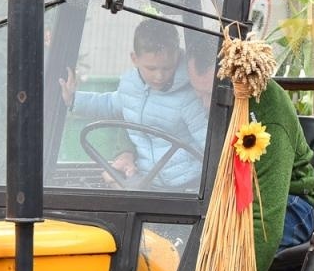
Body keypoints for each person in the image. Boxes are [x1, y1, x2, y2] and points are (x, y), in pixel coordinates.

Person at [171, 39, 314, 271]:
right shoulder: (205, 103)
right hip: (223, 202)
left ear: (232, 83)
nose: (200, 101)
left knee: (222, 251)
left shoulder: (269, 115)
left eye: (207, 94)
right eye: (196, 92)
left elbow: (264, 219)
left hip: (288, 206)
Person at [61, 18, 207, 188]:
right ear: (134, 58)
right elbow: (109, 104)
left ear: (178, 57)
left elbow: (204, 137)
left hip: (186, 184)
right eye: (151, 68)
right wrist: (74, 99)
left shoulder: (189, 96)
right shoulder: (130, 87)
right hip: (147, 179)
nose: (159, 76)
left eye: (167, 68)